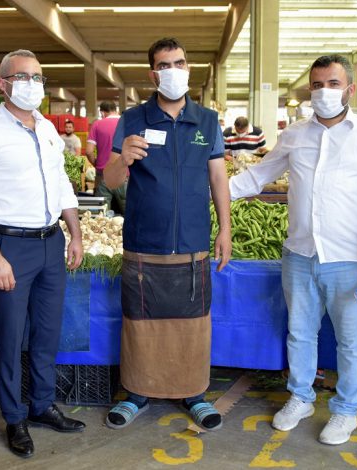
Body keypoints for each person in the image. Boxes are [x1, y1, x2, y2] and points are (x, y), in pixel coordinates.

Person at [229, 54, 357, 445]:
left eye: (333, 84)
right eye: (317, 85)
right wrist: (213, 193)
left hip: (349, 257)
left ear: (350, 89)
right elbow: (258, 176)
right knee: (300, 333)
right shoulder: (295, 135)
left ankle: (346, 411)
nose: (324, 92)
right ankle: (300, 397)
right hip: (299, 253)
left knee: (351, 341)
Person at [0, 49, 85, 459]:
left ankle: (43, 404)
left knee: (47, 332)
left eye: (38, 76)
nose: (32, 83)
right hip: (11, 245)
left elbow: (62, 184)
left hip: (51, 243)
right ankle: (14, 418)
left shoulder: (48, 128)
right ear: (2, 84)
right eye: (22, 76)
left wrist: (75, 233)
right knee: (11, 337)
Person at [102, 37, 232, 431]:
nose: (172, 70)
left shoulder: (207, 121)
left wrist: (225, 228)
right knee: (141, 321)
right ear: (152, 73)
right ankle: (137, 393)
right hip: (144, 241)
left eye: (179, 63)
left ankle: (194, 392)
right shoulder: (133, 120)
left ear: (188, 68)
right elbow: (107, 180)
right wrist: (122, 158)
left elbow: (218, 178)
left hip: (192, 242)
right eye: (163, 65)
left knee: (192, 321)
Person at [86, 100, 126, 214]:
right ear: (116, 110)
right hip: (124, 174)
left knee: (101, 217)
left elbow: (89, 151)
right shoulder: (127, 123)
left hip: (103, 175)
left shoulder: (97, 124)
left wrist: (97, 164)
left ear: (102, 113)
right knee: (128, 215)